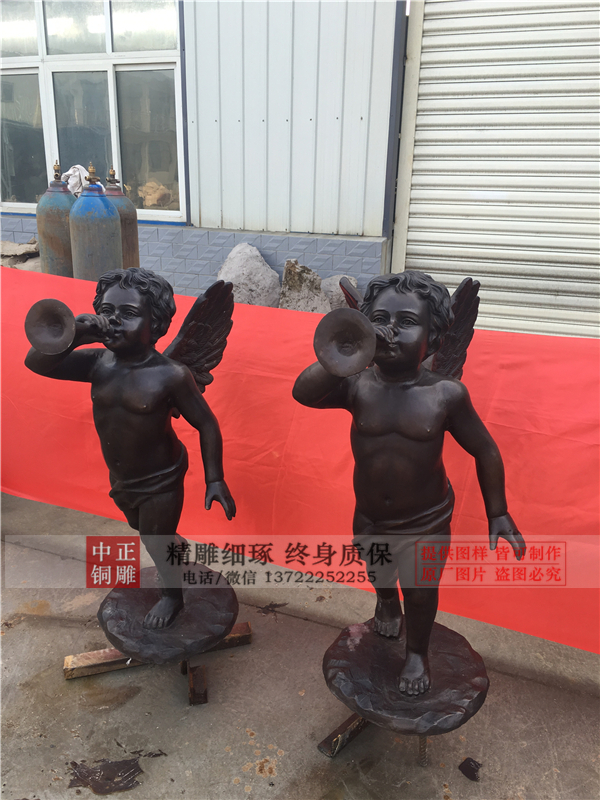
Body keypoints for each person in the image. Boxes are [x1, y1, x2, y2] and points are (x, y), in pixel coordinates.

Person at [293, 271, 525, 696]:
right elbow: (303, 393)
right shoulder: (357, 385)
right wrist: (343, 353)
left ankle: (417, 653)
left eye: (406, 323)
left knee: (419, 591)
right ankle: (385, 602)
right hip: (370, 516)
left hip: (425, 521)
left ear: (433, 337)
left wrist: (499, 512)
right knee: (377, 569)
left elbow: (486, 450)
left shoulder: (445, 394)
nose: (389, 331)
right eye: (379, 320)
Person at [25, 268, 235, 630]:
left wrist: (214, 479)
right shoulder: (98, 364)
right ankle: (172, 544)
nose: (113, 322)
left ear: (157, 324)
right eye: (107, 312)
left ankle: (172, 597)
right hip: (123, 478)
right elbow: (37, 362)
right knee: (142, 527)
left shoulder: (171, 374)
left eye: (129, 314)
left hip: (162, 476)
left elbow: (207, 423)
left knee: (155, 540)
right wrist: (76, 335)